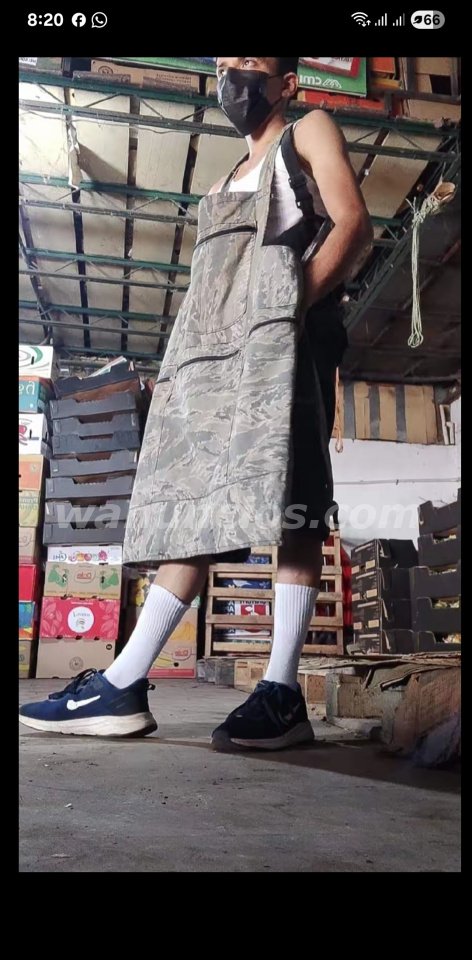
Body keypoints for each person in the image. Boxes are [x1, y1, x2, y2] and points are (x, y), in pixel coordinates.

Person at [20, 57, 372, 750]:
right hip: (215, 360)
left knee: (297, 500)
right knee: (193, 503)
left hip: (286, 340)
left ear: (286, 83)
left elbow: (353, 226)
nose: (233, 75)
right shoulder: (220, 183)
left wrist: (282, 314)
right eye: (224, 63)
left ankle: (280, 692)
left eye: (251, 64)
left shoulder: (307, 131)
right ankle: (123, 683)